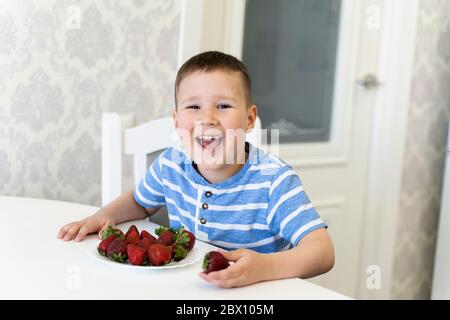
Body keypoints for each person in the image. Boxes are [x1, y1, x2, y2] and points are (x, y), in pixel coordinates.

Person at [57, 51, 334, 288]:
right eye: (193, 107)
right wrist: (103, 215)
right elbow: (139, 203)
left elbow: (322, 252)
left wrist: (263, 268)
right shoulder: (171, 165)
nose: (207, 118)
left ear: (249, 119)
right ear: (177, 121)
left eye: (223, 106)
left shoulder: (273, 181)